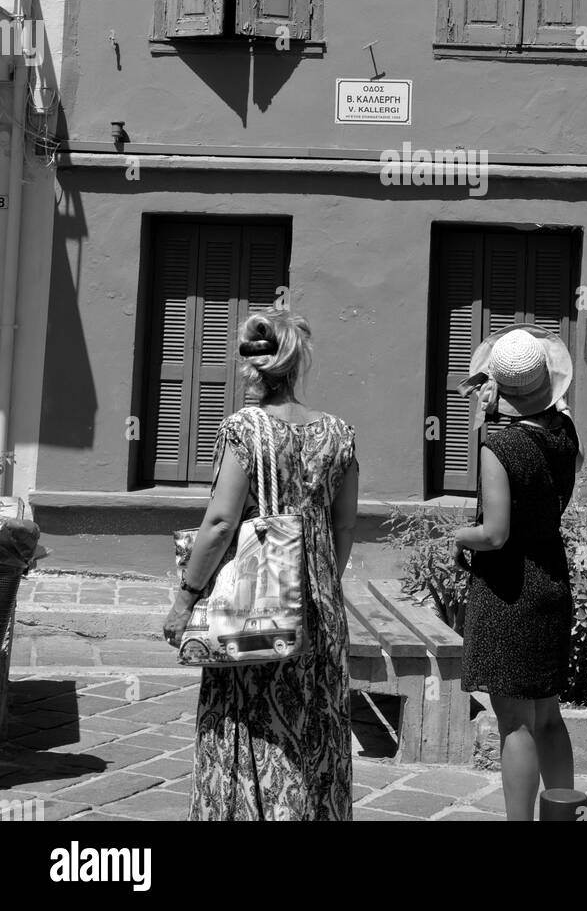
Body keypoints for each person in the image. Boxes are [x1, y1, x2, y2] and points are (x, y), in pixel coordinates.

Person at [162, 308, 359, 821]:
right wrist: (319, 582)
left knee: (250, 723)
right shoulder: (340, 433)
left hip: (258, 605)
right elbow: (344, 528)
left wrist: (185, 599)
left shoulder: (243, 429)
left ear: (251, 368)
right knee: (313, 729)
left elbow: (222, 523)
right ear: (295, 366)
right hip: (319, 607)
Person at [454, 325, 582, 822]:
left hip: (509, 591)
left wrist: (457, 537)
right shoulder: (564, 434)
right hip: (551, 579)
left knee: (515, 725)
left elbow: (494, 534)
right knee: (548, 715)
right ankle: (563, 817)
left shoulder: (500, 448)